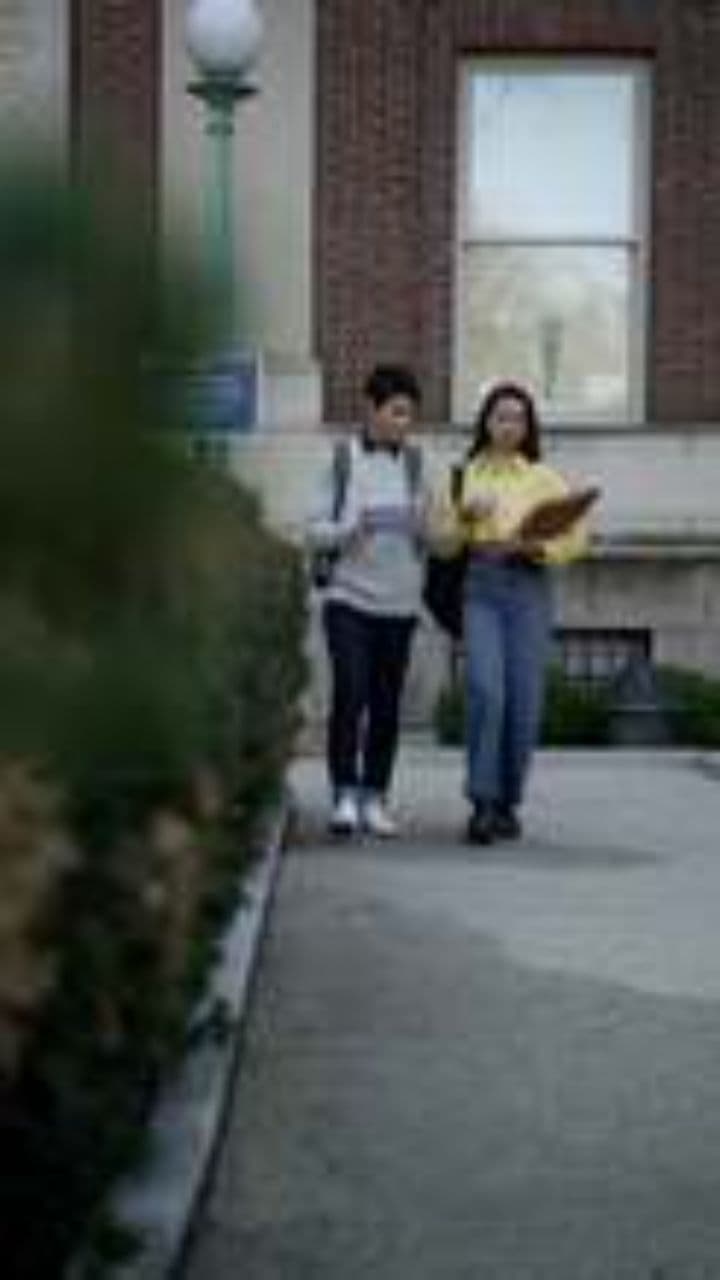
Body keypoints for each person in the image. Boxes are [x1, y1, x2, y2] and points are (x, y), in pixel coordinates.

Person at [433, 381, 590, 844]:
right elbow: (441, 544)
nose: (509, 425)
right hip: (481, 584)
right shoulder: (464, 474)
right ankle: (481, 802)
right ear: (485, 422)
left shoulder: (543, 478)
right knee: (487, 690)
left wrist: (540, 547)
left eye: (518, 418)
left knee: (523, 701)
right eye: (500, 416)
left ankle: (507, 803)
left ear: (528, 427)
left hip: (529, 587)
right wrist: (464, 517)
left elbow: (577, 536)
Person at [307, 363, 427, 837]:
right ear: (371, 408)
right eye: (396, 412)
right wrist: (348, 531)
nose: (404, 423)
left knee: (386, 703)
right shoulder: (339, 461)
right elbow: (312, 531)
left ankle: (376, 795)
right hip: (348, 598)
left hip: (400, 602)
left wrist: (426, 526)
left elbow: (436, 534)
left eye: (409, 415)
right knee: (351, 692)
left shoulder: (417, 464)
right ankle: (343, 794)